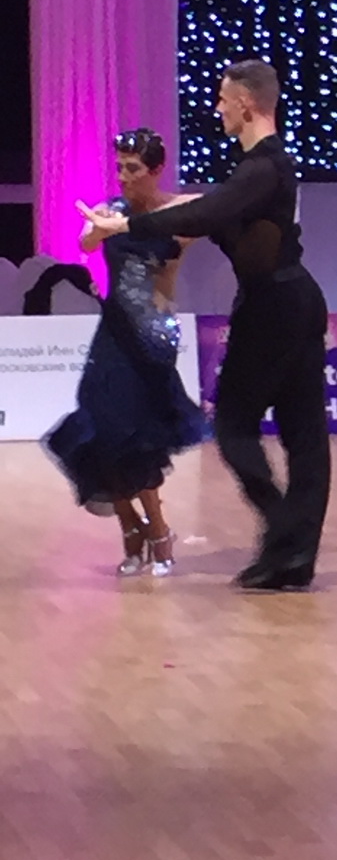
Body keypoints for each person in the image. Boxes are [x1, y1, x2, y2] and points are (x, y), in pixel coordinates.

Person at [79, 61, 331, 591]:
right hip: (287, 300)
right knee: (302, 434)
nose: (217, 108)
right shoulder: (259, 170)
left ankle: (286, 535)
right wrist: (140, 217)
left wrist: (126, 224)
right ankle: (291, 557)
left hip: (277, 305)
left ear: (245, 104)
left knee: (239, 425)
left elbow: (208, 213)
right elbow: (211, 210)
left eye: (222, 99)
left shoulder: (263, 168)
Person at [46, 128, 205, 577]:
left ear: (156, 170)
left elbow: (213, 215)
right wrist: (97, 228)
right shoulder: (109, 210)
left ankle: (157, 531)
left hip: (153, 337)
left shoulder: (178, 214)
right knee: (101, 431)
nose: (123, 176)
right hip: (113, 335)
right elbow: (85, 243)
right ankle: (130, 525)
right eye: (119, 167)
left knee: (140, 436)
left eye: (133, 168)